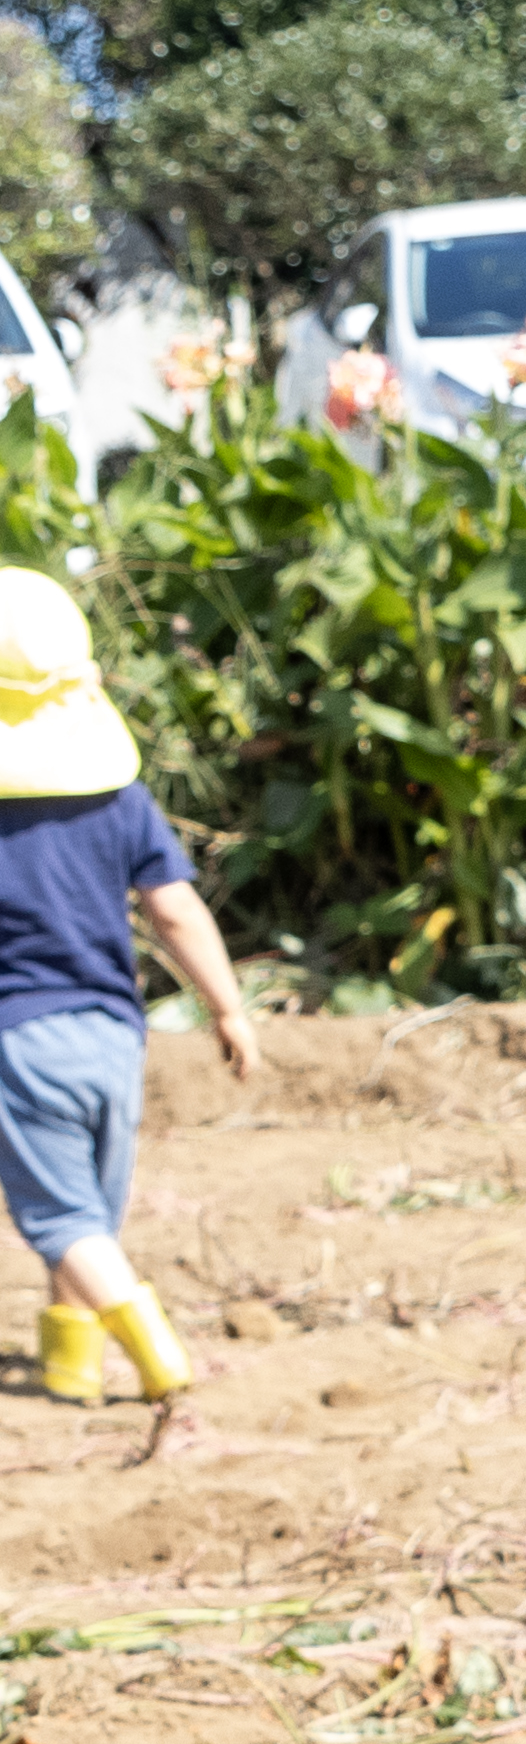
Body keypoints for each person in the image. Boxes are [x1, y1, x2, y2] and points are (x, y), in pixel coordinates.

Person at [0, 568, 259, 1410]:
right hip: (115, 1032)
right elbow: (176, 911)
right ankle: (71, 1367)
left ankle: (154, 1347)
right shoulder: (119, 796)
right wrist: (226, 1006)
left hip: (19, 1034)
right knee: (89, 1209)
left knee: (58, 1216)